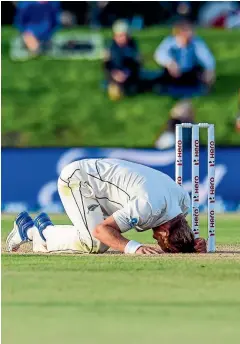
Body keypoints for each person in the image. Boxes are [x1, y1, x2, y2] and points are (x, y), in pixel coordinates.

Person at [6, 159, 207, 255]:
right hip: (79, 181)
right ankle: (33, 231)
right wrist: (134, 248)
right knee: (94, 243)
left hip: (105, 188)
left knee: (101, 240)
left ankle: (35, 229)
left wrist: (191, 244)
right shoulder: (147, 207)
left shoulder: (182, 202)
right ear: (164, 230)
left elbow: (180, 229)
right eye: (161, 241)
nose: (154, 238)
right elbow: (101, 230)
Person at [154, 20, 216, 95]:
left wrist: (209, 70)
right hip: (173, 73)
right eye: (187, 31)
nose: (191, 33)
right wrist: (170, 63)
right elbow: (160, 54)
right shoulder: (170, 42)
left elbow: (206, 56)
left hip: (190, 72)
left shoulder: (196, 42)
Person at [103, 20, 142, 100]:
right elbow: (107, 65)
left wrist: (127, 73)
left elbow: (137, 64)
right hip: (115, 75)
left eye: (125, 36)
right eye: (120, 36)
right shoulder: (110, 47)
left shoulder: (133, 46)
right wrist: (114, 74)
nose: (123, 38)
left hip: (128, 74)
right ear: (115, 36)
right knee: (115, 92)